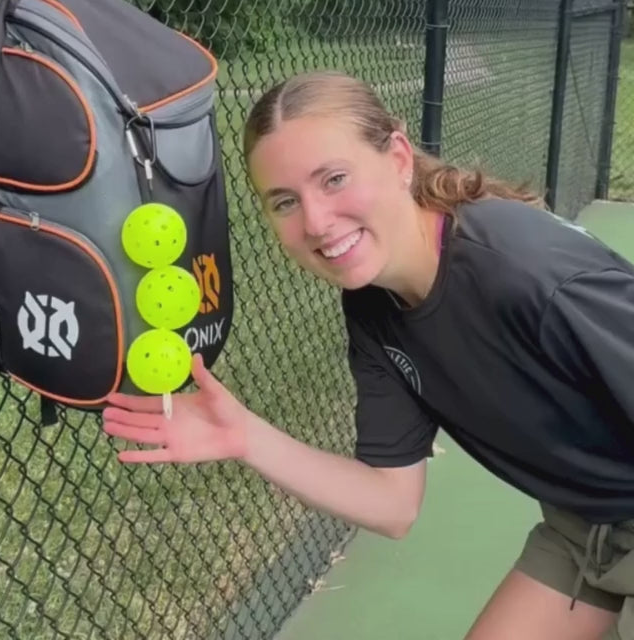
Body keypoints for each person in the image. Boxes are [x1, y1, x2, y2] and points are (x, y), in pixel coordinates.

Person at [102, 71, 634, 639]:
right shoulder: (373, 301)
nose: (315, 222)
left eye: (333, 179)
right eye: (285, 201)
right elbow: (392, 504)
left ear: (399, 157)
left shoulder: (530, 276)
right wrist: (245, 437)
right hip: (587, 527)